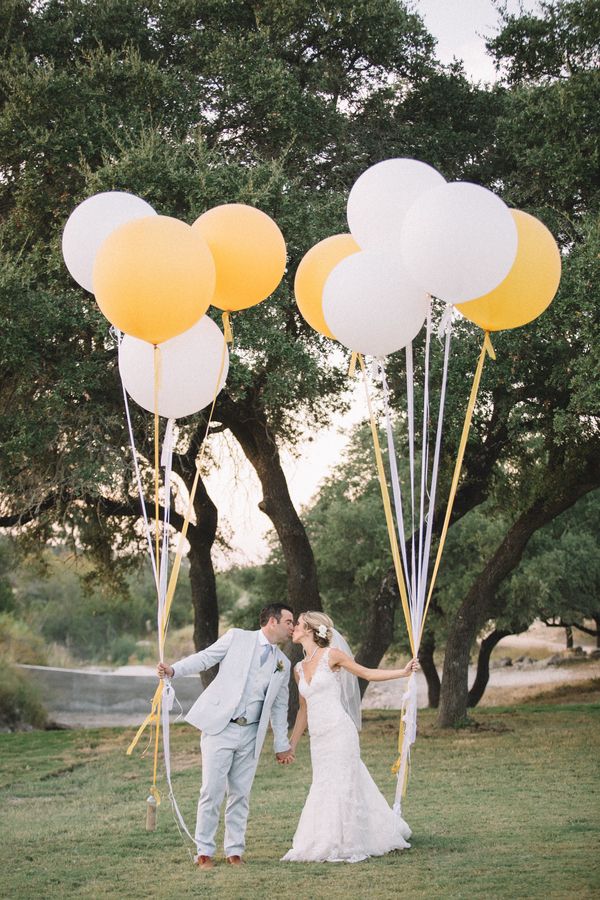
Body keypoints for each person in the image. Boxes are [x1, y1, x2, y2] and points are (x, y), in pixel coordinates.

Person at [157, 603, 295, 869]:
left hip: (252, 733)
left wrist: (281, 745)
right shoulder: (237, 637)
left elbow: (279, 707)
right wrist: (174, 670)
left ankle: (234, 850)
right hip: (222, 727)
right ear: (272, 621)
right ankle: (204, 851)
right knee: (211, 790)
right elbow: (205, 658)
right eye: (289, 621)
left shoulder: (283, 663)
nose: (292, 627)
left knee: (241, 794)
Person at [282, 611, 420, 863]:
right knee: (324, 783)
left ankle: (348, 840)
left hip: (339, 731)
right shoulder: (298, 668)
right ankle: (324, 838)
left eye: (298, 625)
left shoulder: (332, 656)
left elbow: (366, 673)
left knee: (343, 782)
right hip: (319, 738)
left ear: (311, 630)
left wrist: (403, 672)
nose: (294, 629)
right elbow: (303, 709)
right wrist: (291, 744)